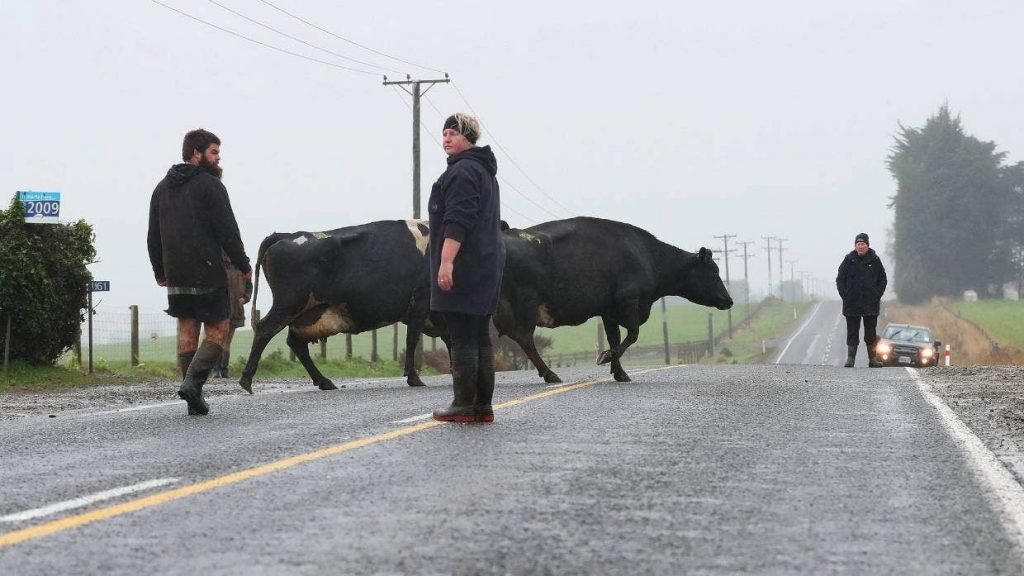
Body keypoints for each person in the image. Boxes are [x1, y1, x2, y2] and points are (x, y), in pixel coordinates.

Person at [147, 129, 251, 415]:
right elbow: (228, 230)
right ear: (197, 152)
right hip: (208, 271)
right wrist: (243, 265)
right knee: (218, 331)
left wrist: (159, 269)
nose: (218, 158)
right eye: (214, 152)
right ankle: (193, 385)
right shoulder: (211, 186)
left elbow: (153, 235)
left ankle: (194, 397)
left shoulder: (161, 188)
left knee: (187, 332)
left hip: (176, 274)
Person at [428, 113, 506, 423]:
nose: (446, 139)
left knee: (461, 335)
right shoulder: (485, 172)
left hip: (466, 265)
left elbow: (458, 221)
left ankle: (462, 405)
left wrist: (446, 261)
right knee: (478, 335)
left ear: (468, 138)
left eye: (452, 134)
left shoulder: (462, 173)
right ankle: (481, 407)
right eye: (444, 134)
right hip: (487, 264)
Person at [836, 232, 887, 368]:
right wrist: (845, 296)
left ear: (867, 245)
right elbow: (840, 279)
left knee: (871, 333)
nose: (860, 246)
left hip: (871, 304)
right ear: (855, 246)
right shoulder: (848, 260)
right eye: (858, 244)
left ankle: (873, 359)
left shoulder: (875, 260)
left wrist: (877, 294)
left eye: (863, 244)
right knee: (852, 332)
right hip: (852, 305)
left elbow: (883, 279)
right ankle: (851, 359)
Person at [213, 253, 253, 379]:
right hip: (221, 307)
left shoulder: (242, 265)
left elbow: (249, 285)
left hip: (236, 308)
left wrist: (245, 297)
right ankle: (216, 370)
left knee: (227, 340)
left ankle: (224, 370)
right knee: (218, 339)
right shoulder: (219, 263)